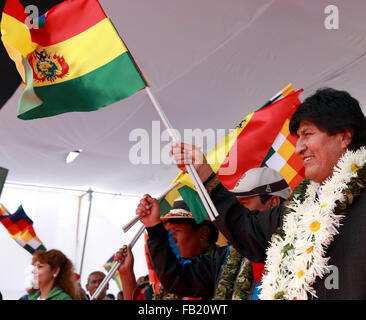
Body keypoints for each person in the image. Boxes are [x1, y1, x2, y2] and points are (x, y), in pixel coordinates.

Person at [170, 88, 366, 300]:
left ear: (345, 136)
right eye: (298, 137)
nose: (299, 148)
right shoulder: (299, 209)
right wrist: (203, 171)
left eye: (308, 134)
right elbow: (245, 229)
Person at [136, 168, 290, 299]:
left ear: (273, 203)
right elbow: (176, 278)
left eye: (243, 205)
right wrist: (154, 228)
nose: (238, 214)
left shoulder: (304, 248)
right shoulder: (223, 259)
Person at [116, 198, 221, 299]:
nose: (171, 239)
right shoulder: (162, 284)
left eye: (177, 231)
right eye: (167, 233)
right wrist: (126, 272)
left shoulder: (224, 268)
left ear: (203, 233)